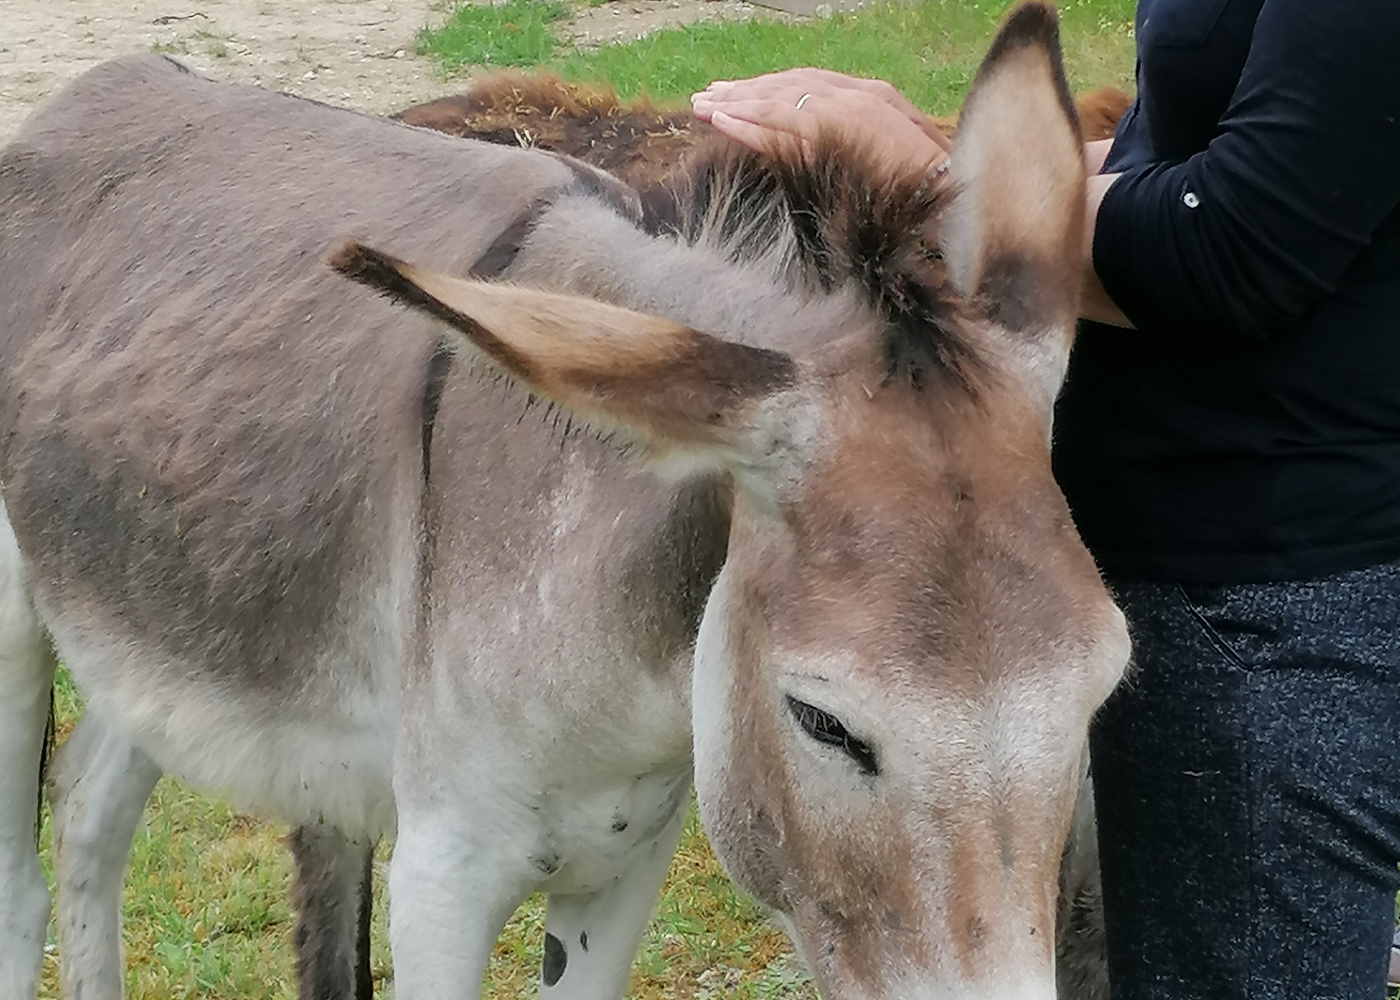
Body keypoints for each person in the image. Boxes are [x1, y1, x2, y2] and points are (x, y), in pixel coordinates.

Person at [692, 0, 1400, 997]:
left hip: (1264, 611)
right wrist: (966, 153)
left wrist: (939, 180)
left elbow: (1237, 246)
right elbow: (1230, 140)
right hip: (1191, 576)